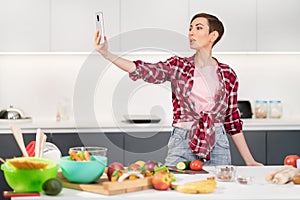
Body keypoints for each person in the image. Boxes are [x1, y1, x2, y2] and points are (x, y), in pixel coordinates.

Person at [94, 13, 263, 166]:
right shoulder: (178, 66)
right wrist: (107, 54)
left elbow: (232, 121)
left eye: (198, 28)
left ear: (213, 36)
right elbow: (144, 70)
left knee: (218, 191)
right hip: (183, 141)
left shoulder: (228, 74)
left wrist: (250, 161)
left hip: (217, 143)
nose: (191, 33)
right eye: (190, 28)